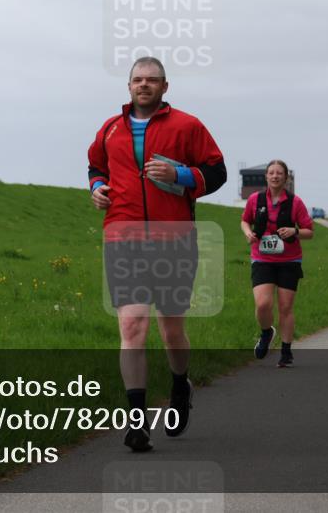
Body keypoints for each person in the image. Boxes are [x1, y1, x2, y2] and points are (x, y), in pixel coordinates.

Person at [87, 56, 226, 452]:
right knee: (132, 327)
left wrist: (181, 176)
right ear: (128, 86)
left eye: (151, 80)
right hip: (123, 238)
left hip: (173, 239)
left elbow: (217, 172)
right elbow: (95, 166)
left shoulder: (188, 125)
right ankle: (137, 421)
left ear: (165, 87)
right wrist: (96, 187)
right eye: (137, 80)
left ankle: (180, 384)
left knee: (171, 330)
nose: (143, 85)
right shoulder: (110, 129)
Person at [240, 160, 314, 368]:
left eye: (279, 173)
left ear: (286, 178)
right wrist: (248, 233)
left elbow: (309, 231)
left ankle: (286, 351)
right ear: (266, 176)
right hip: (262, 258)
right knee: (263, 304)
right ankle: (266, 332)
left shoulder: (295, 202)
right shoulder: (255, 199)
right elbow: (245, 220)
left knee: (285, 306)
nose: (275, 176)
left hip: (289, 260)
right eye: (271, 173)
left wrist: (295, 231)